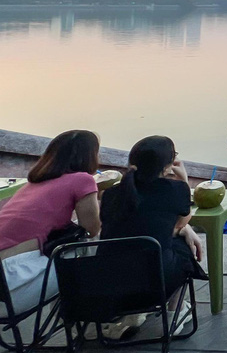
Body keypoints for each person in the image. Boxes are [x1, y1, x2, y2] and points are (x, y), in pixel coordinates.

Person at [101, 136, 206, 335]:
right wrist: (184, 180)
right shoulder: (174, 189)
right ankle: (176, 311)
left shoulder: (111, 195)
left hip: (110, 288)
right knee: (181, 246)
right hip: (155, 284)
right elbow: (180, 222)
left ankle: (132, 315)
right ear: (167, 166)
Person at [0, 130, 103, 315]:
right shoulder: (82, 179)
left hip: (6, 277)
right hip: (13, 282)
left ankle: (72, 319)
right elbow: (92, 228)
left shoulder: (31, 185)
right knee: (88, 245)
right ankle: (90, 319)